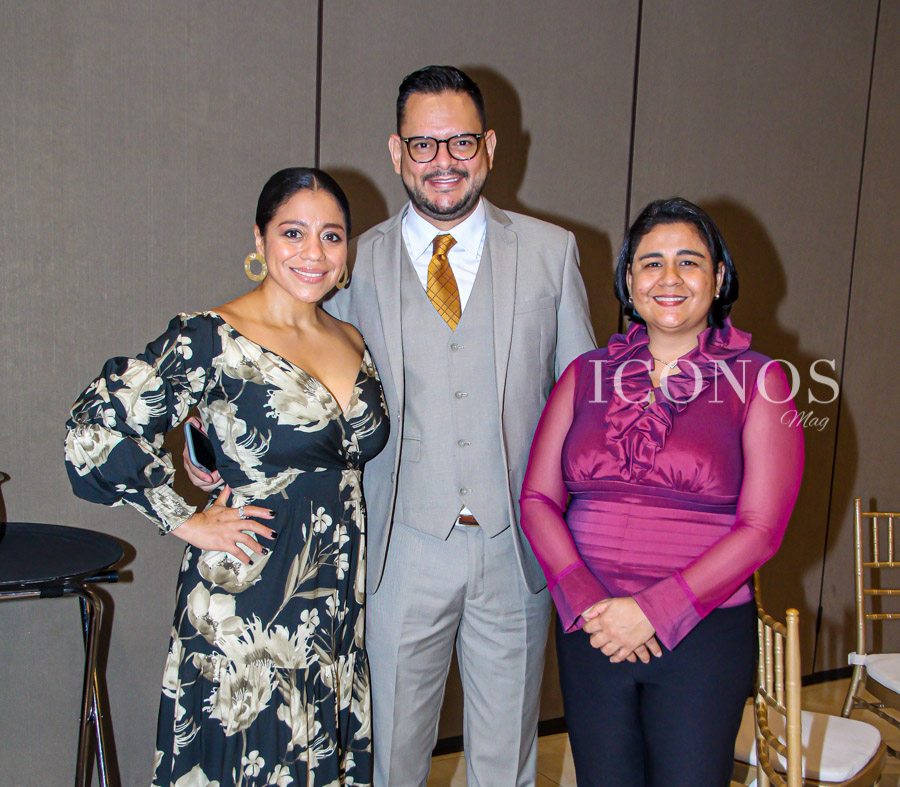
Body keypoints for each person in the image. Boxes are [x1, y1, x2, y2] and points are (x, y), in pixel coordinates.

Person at [187, 66, 595, 785]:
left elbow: (585, 404)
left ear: (490, 146)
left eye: (460, 141)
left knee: (507, 763)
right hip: (395, 551)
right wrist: (211, 441)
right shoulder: (348, 261)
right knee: (387, 760)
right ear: (396, 151)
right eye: (423, 144)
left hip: (515, 552)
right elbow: (286, 371)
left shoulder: (550, 252)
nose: (443, 160)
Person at [64, 167, 389, 786]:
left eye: (331, 235)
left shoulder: (350, 338)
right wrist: (184, 518)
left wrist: (206, 441)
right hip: (247, 605)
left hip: (334, 610)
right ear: (260, 239)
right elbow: (93, 429)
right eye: (292, 233)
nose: (313, 252)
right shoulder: (211, 336)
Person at [519, 197, 805, 786]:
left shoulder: (761, 379)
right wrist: (588, 601)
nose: (669, 278)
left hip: (702, 633)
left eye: (688, 262)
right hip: (593, 628)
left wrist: (655, 611)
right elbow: (537, 501)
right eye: (651, 263)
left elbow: (762, 530)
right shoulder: (585, 373)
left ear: (718, 278)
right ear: (629, 280)